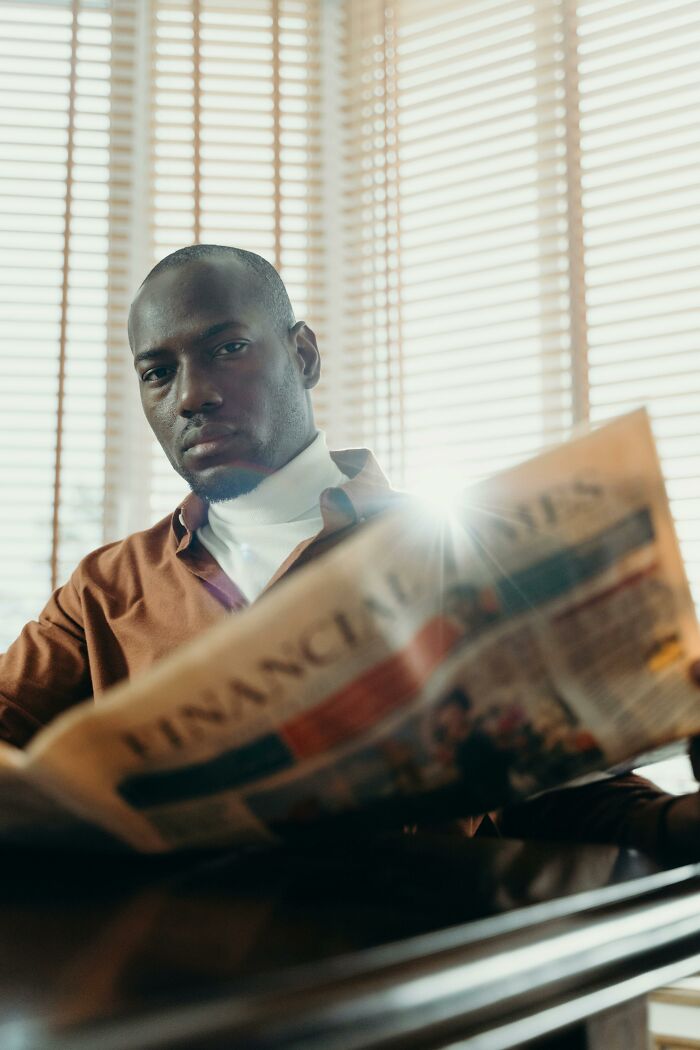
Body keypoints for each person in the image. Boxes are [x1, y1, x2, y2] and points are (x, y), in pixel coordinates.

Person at [1, 244, 699, 862]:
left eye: (227, 349)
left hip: (407, 953)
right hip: (178, 960)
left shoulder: (460, 548)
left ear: (303, 356)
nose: (192, 396)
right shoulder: (102, 590)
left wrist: (673, 822)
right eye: (158, 372)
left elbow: (559, 788)